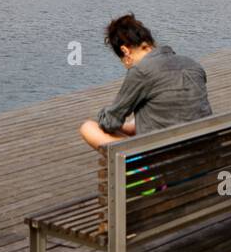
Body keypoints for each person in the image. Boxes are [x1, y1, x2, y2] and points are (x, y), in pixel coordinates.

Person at [78, 14, 211, 151]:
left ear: (125, 50)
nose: (126, 65)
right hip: (204, 152)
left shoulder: (141, 71)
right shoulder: (192, 64)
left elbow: (109, 123)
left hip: (162, 160)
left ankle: (139, 168)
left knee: (88, 127)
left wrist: (104, 117)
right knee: (133, 123)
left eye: (123, 61)